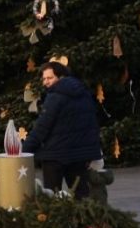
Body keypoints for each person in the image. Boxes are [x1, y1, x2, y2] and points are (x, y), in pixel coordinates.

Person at [26, 61, 102, 197]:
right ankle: (85, 218)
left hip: (55, 155)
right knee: (81, 196)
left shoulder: (55, 96)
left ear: (61, 77)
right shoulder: (84, 94)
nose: (45, 82)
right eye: (44, 78)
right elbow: (92, 125)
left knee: (52, 196)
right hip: (79, 155)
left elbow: (42, 126)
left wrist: (24, 150)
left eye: (49, 78)